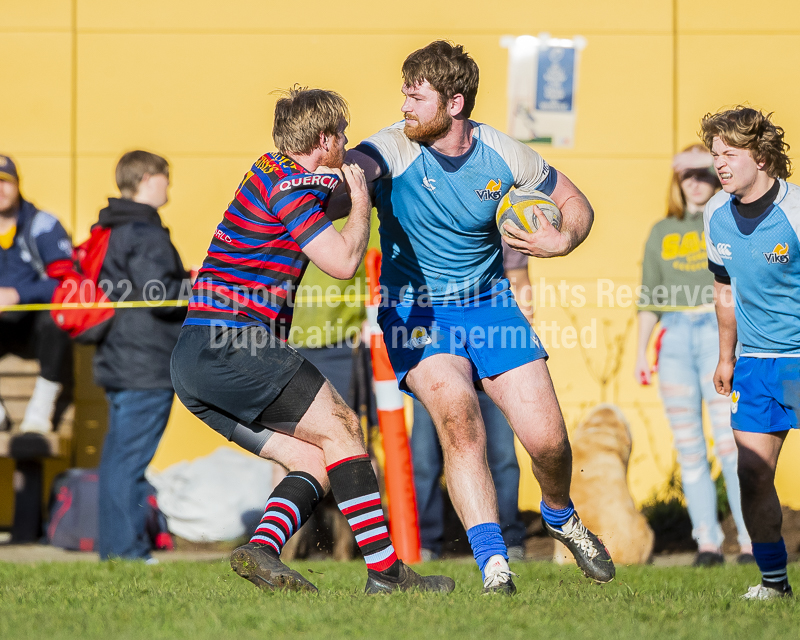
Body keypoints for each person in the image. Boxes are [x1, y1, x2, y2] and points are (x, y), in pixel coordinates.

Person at [344, 41, 614, 594]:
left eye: (417, 97)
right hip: (415, 311)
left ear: (456, 103)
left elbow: (576, 202)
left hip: (490, 306)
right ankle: (495, 567)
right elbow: (353, 169)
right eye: (404, 94)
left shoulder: (504, 153)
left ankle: (560, 515)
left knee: (548, 444)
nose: (405, 107)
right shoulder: (390, 149)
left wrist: (562, 240)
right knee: (460, 422)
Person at [170, 86, 453, 594]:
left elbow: (324, 185)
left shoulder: (267, 167)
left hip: (192, 362)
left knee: (313, 460)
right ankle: (388, 575)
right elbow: (343, 263)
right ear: (323, 139)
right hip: (234, 341)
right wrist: (363, 203)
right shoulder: (293, 189)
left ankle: (261, 549)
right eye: (341, 135)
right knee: (344, 427)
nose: (346, 142)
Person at [634, 144, 752, 566]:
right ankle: (707, 542)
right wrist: (641, 352)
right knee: (689, 448)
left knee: (731, 444)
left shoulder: (727, 220)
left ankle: (751, 541)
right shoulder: (661, 230)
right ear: (677, 181)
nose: (697, 181)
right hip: (675, 340)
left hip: (720, 337)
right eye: (689, 174)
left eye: (706, 173)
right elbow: (650, 297)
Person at [702, 106, 799, 600]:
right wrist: (726, 356)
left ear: (761, 156)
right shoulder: (714, 214)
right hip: (756, 364)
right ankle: (774, 583)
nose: (719, 163)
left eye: (729, 153)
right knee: (752, 473)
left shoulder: (796, 213)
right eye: (714, 153)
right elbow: (724, 290)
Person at [94, 150, 190, 561]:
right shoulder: (145, 232)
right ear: (149, 178)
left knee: (119, 458)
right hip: (145, 363)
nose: (168, 185)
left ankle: (116, 549)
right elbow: (160, 296)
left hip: (119, 357)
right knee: (129, 461)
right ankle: (126, 552)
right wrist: (195, 286)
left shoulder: (113, 228)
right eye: (165, 177)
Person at [411, 245, 529, 563]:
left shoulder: (503, 229)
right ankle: (428, 543)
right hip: (437, 356)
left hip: (493, 359)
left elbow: (521, 287)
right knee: (424, 462)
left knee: (503, 458)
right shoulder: (422, 225)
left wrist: (516, 348)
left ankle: (511, 540)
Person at [0, 154, 74, 433]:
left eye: (5, 182)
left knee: (56, 319)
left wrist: (16, 294)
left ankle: (40, 411)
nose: (0, 189)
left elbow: (66, 282)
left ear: (18, 185)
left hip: (35, 331)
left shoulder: (43, 224)